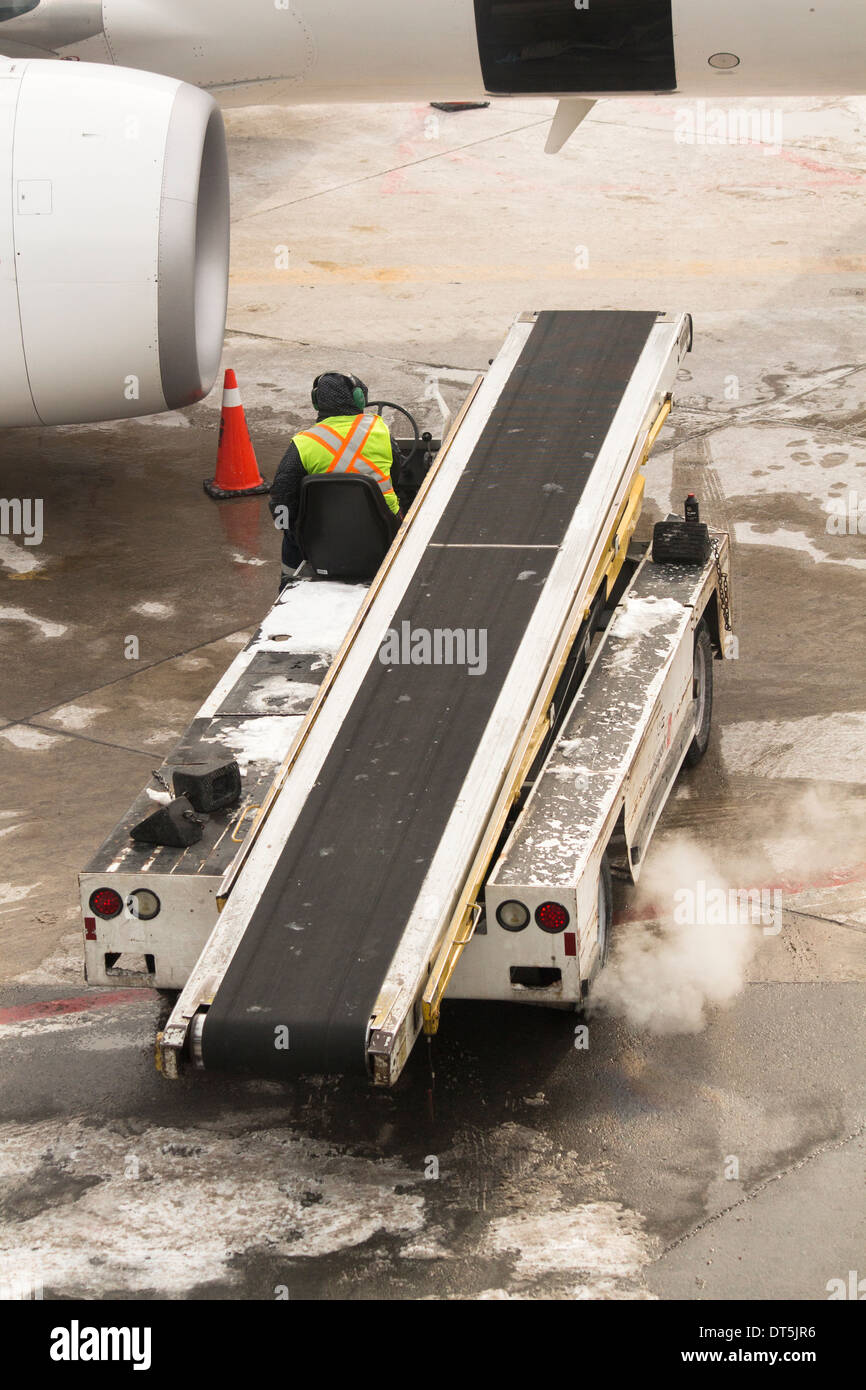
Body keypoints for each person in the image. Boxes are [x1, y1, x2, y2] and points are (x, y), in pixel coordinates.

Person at [269, 372, 403, 589]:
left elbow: (280, 500)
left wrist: (292, 529)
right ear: (359, 398)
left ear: (317, 402)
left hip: (323, 539)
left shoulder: (304, 443)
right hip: (384, 531)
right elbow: (396, 476)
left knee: (287, 530)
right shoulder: (379, 429)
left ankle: (288, 582)